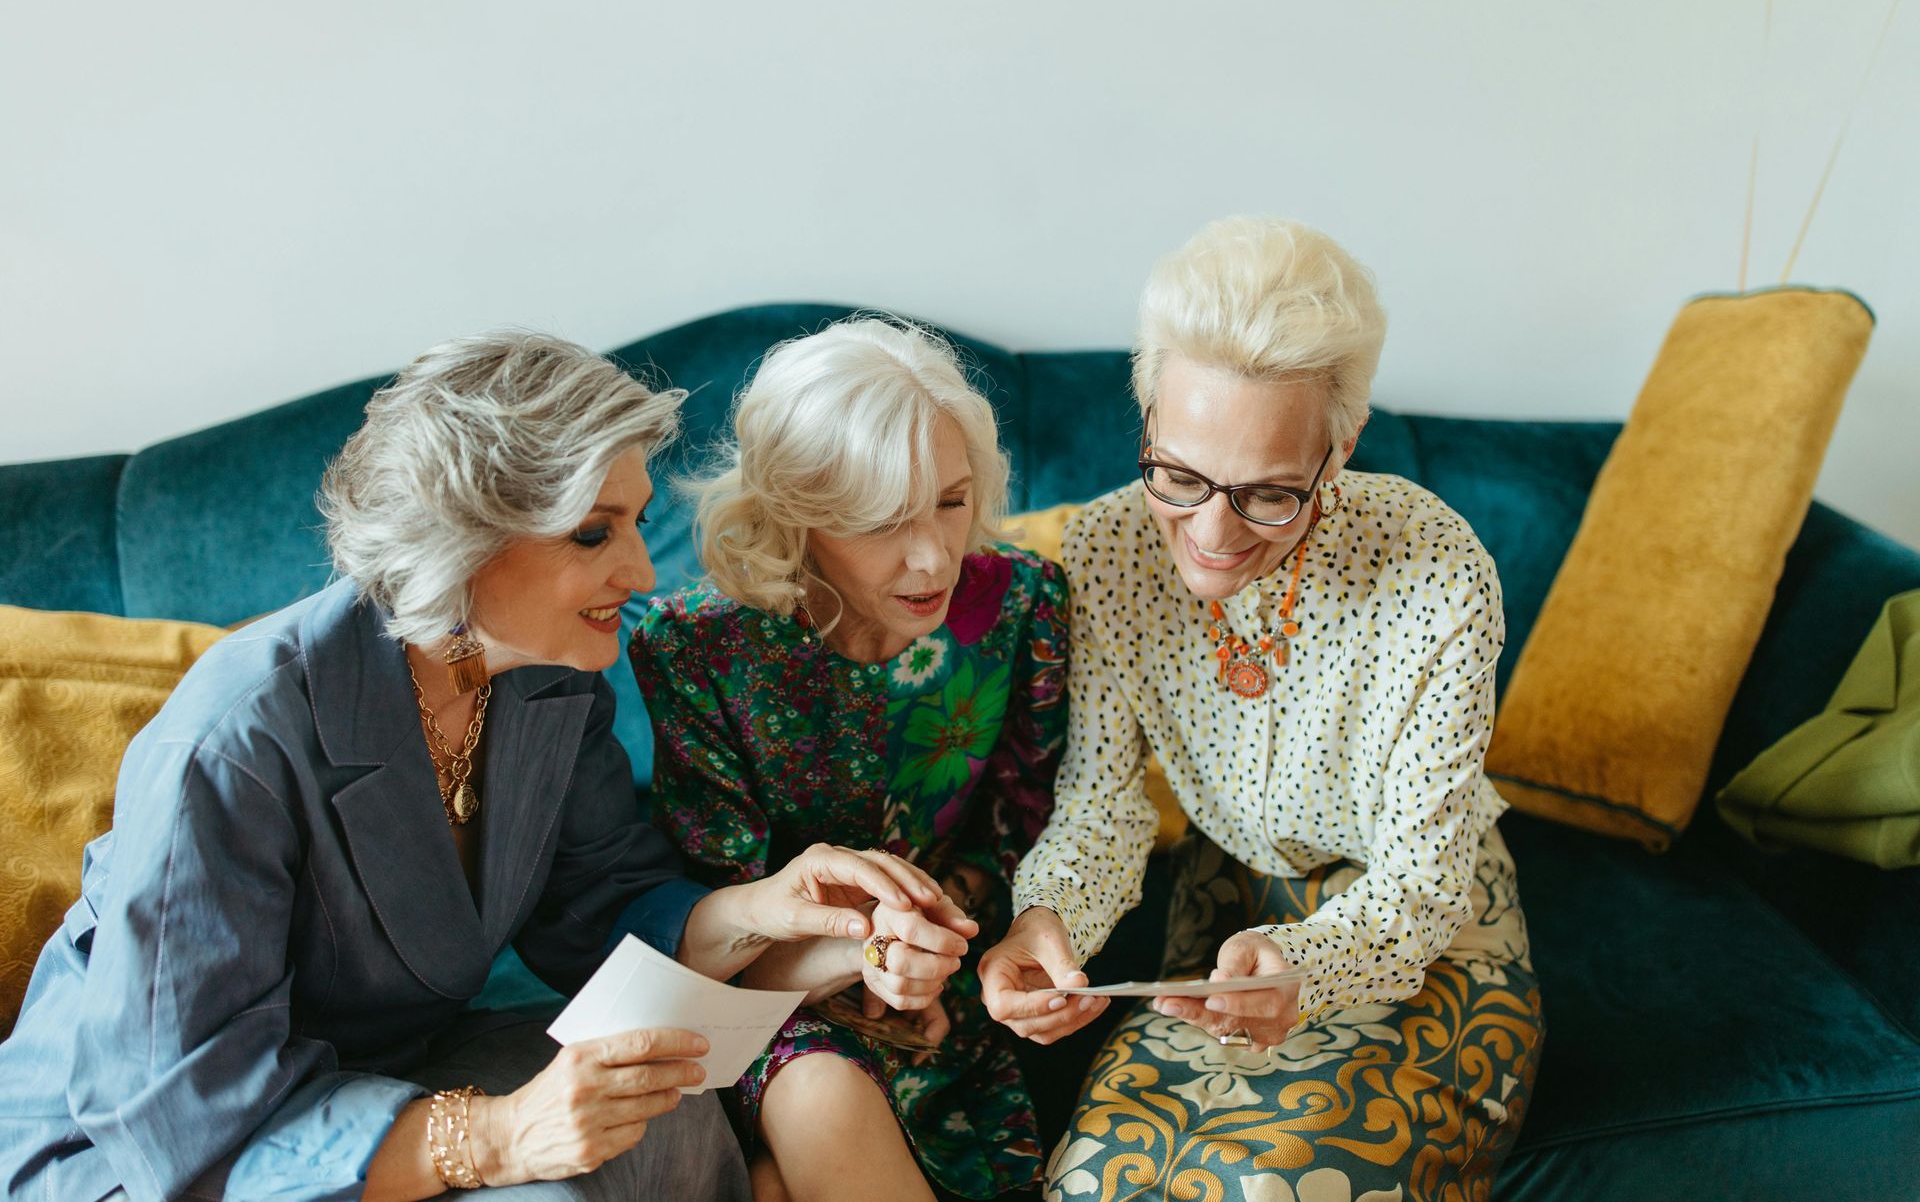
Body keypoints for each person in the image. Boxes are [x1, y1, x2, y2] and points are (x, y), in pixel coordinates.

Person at [0, 333, 953, 1201]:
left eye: (636, 525)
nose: (644, 573)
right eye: (594, 533)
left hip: (381, 1068)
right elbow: (176, 1114)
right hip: (142, 1151)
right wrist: (493, 1138)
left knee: (652, 1104)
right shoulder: (236, 739)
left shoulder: (547, 684)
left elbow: (598, 915)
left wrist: (762, 910)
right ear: (463, 540)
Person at [979, 218, 1545, 1202]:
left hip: (1424, 933)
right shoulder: (1109, 550)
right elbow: (1104, 805)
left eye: (1270, 494)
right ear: (1147, 416)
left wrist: (1309, 962)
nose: (1209, 532)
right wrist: (1045, 920)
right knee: (1092, 1183)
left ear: (1341, 447)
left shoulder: (1437, 569)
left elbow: (1422, 878)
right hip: (1223, 907)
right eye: (1179, 475)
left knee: (1275, 1186)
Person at [630, 317, 1069, 1202]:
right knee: (816, 1093)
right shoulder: (698, 650)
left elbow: (1022, 841)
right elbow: (723, 944)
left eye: (951, 500)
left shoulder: (1023, 603)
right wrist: (866, 953)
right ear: (795, 518)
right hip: (781, 1005)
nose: (933, 555)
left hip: (964, 989)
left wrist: (940, 942)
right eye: (881, 521)